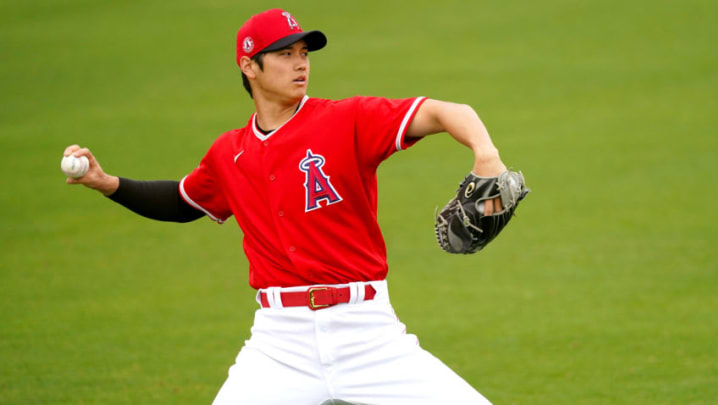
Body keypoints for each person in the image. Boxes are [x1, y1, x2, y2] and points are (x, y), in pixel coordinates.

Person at [64, 8, 508, 405]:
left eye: (304, 53)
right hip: (279, 344)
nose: (300, 63)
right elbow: (183, 201)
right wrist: (107, 184)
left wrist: (486, 155)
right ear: (248, 66)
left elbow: (447, 111)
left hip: (367, 334)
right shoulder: (228, 153)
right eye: (284, 54)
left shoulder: (346, 119)